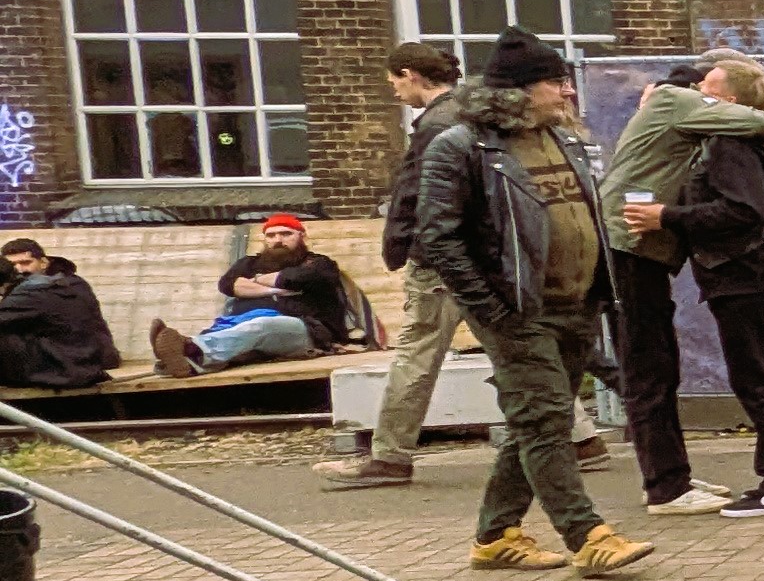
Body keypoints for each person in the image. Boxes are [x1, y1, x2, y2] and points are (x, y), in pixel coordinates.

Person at [412, 26, 654, 579]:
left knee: (532, 424)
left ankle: (496, 536)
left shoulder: (562, 139)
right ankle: (588, 536)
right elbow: (438, 238)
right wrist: (493, 310)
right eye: (556, 83)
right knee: (547, 420)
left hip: (576, 305)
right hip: (516, 312)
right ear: (517, 91)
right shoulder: (462, 147)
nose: (568, 92)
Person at [602, 54, 764, 517]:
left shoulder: (719, 138)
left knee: (740, 375)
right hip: (631, 245)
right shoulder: (679, 104)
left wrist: (667, 217)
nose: (708, 99)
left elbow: (740, 209)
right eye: (705, 89)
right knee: (652, 367)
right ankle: (668, 485)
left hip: (707, 264)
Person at [321, 44, 467, 488]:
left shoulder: (435, 126)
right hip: (480, 254)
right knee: (514, 348)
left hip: (440, 257)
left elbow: (414, 193)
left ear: (410, 74)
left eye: (394, 83)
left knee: (417, 353)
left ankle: (389, 457)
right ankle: (580, 440)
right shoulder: (473, 115)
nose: (395, 94)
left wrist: (398, 245)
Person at [153, 212, 356, 376]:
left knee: (262, 325)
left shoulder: (320, 264)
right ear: (265, 239)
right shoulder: (249, 263)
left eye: (286, 234)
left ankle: (191, 350)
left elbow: (299, 277)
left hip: (307, 331)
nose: (278, 240)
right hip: (245, 327)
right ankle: (173, 361)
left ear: (301, 236)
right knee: (240, 331)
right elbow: (228, 285)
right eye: (271, 235)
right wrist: (277, 288)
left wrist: (254, 282)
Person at [0, 239, 117, 391]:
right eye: (13, 266)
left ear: (44, 262)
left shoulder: (35, 290)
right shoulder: (59, 283)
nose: (20, 270)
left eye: (25, 263)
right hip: (81, 362)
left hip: (68, 366)